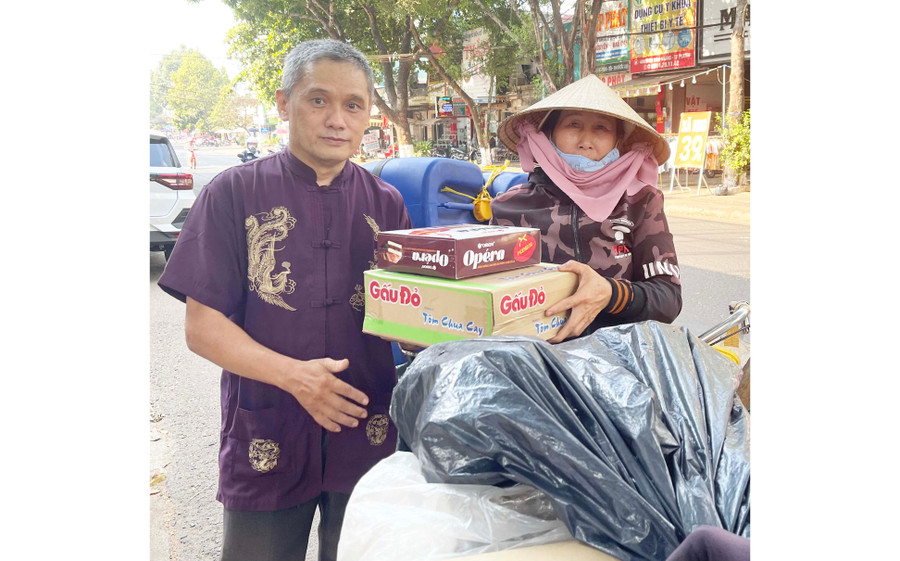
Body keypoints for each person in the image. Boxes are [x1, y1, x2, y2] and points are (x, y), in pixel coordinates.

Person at [157, 39, 412, 561]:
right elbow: (202, 327)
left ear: (368, 116)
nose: (337, 119)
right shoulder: (231, 194)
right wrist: (297, 378)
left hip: (366, 426)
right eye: (318, 100)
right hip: (268, 426)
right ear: (283, 103)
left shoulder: (386, 204)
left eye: (353, 105)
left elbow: (407, 317)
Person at [490, 74, 681, 342]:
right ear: (548, 135)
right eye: (573, 124)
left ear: (618, 142)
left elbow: (668, 298)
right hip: (535, 362)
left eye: (601, 128)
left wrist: (610, 294)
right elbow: (487, 296)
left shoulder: (641, 203)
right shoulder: (508, 206)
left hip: (619, 359)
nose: (586, 141)